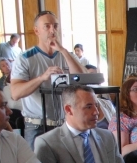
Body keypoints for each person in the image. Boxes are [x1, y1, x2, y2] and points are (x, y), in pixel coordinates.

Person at [10, 11, 85, 149]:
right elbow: (15, 93)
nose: (52, 30)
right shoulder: (25, 58)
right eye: (47, 26)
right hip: (37, 126)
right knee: (38, 162)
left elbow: (82, 79)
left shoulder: (66, 55)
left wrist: (63, 50)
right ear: (36, 31)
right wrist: (42, 78)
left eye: (55, 26)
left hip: (65, 124)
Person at [108, 76, 137, 155]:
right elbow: (121, 151)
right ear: (126, 94)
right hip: (135, 159)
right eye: (136, 89)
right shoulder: (120, 119)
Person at [85, 64, 115, 129]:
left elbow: (117, 125)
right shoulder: (79, 108)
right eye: (91, 75)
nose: (95, 79)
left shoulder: (107, 103)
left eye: (96, 75)